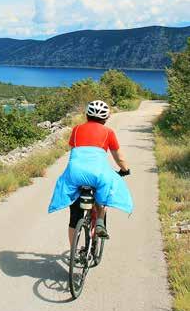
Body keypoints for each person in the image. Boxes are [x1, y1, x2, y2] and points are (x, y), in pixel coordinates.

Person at [48, 100, 133, 245]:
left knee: (74, 217)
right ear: (106, 118)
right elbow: (119, 158)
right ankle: (100, 221)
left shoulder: (76, 129)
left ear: (87, 114)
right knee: (102, 196)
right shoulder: (108, 132)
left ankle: (73, 254)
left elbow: (75, 150)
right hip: (98, 174)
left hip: (75, 174)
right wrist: (125, 170)